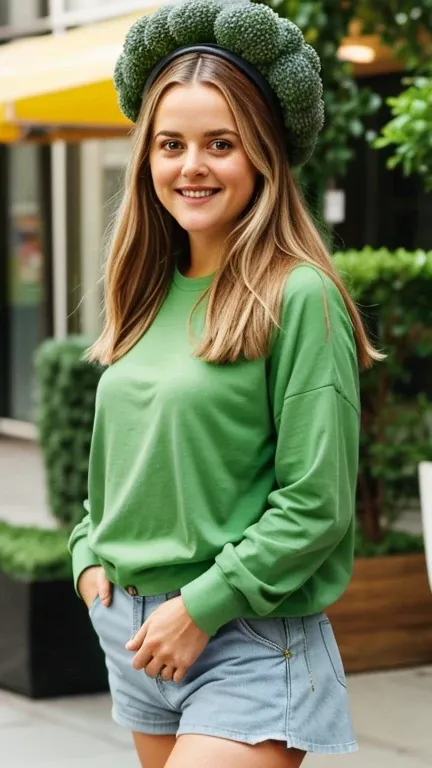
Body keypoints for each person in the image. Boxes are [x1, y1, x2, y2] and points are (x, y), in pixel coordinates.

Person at [69, 2, 381, 767]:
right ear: (146, 157)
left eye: (221, 143)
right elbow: (116, 465)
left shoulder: (298, 294)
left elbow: (317, 504)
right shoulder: (142, 292)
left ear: (264, 156)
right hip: (136, 629)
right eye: (171, 144)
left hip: (245, 635)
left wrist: (199, 609)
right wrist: (87, 558)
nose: (191, 166)